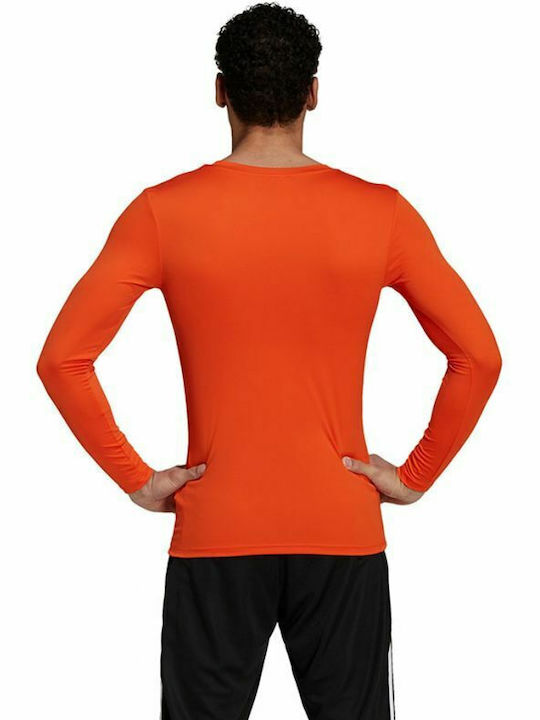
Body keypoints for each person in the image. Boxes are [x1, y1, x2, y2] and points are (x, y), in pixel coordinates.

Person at [37, 4, 502, 718]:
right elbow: (478, 355)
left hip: (216, 529)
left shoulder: (162, 212)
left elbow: (63, 359)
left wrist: (138, 479)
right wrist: (413, 477)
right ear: (313, 92)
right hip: (341, 530)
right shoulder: (381, 213)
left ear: (219, 90)